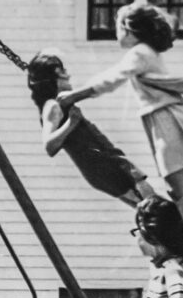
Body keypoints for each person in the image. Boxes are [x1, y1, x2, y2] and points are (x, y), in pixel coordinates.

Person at [57, 3, 183, 265]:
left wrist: (75, 94)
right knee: (175, 189)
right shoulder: (146, 52)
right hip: (161, 119)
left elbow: (112, 78)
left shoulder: (140, 52)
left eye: (118, 28)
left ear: (130, 29)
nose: (117, 34)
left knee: (178, 189)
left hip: (165, 120)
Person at [26, 51, 158, 207]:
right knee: (153, 207)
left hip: (103, 165)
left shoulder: (60, 105)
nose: (68, 76)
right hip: (104, 165)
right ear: (53, 79)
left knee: (146, 209)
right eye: (63, 73)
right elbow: (49, 146)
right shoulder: (53, 106)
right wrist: (71, 123)